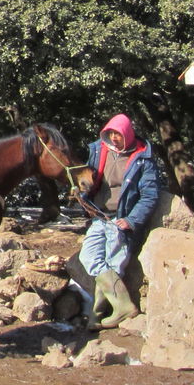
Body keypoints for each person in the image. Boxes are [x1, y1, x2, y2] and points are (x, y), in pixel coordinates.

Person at [78, 112, 160, 330]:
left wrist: (131, 220)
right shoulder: (99, 150)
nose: (114, 138)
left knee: (114, 264)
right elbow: (88, 177)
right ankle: (123, 306)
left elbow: (150, 195)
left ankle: (97, 315)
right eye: (110, 133)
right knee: (89, 257)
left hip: (121, 219)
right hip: (99, 215)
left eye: (118, 134)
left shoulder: (143, 157)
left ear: (128, 134)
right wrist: (80, 189)